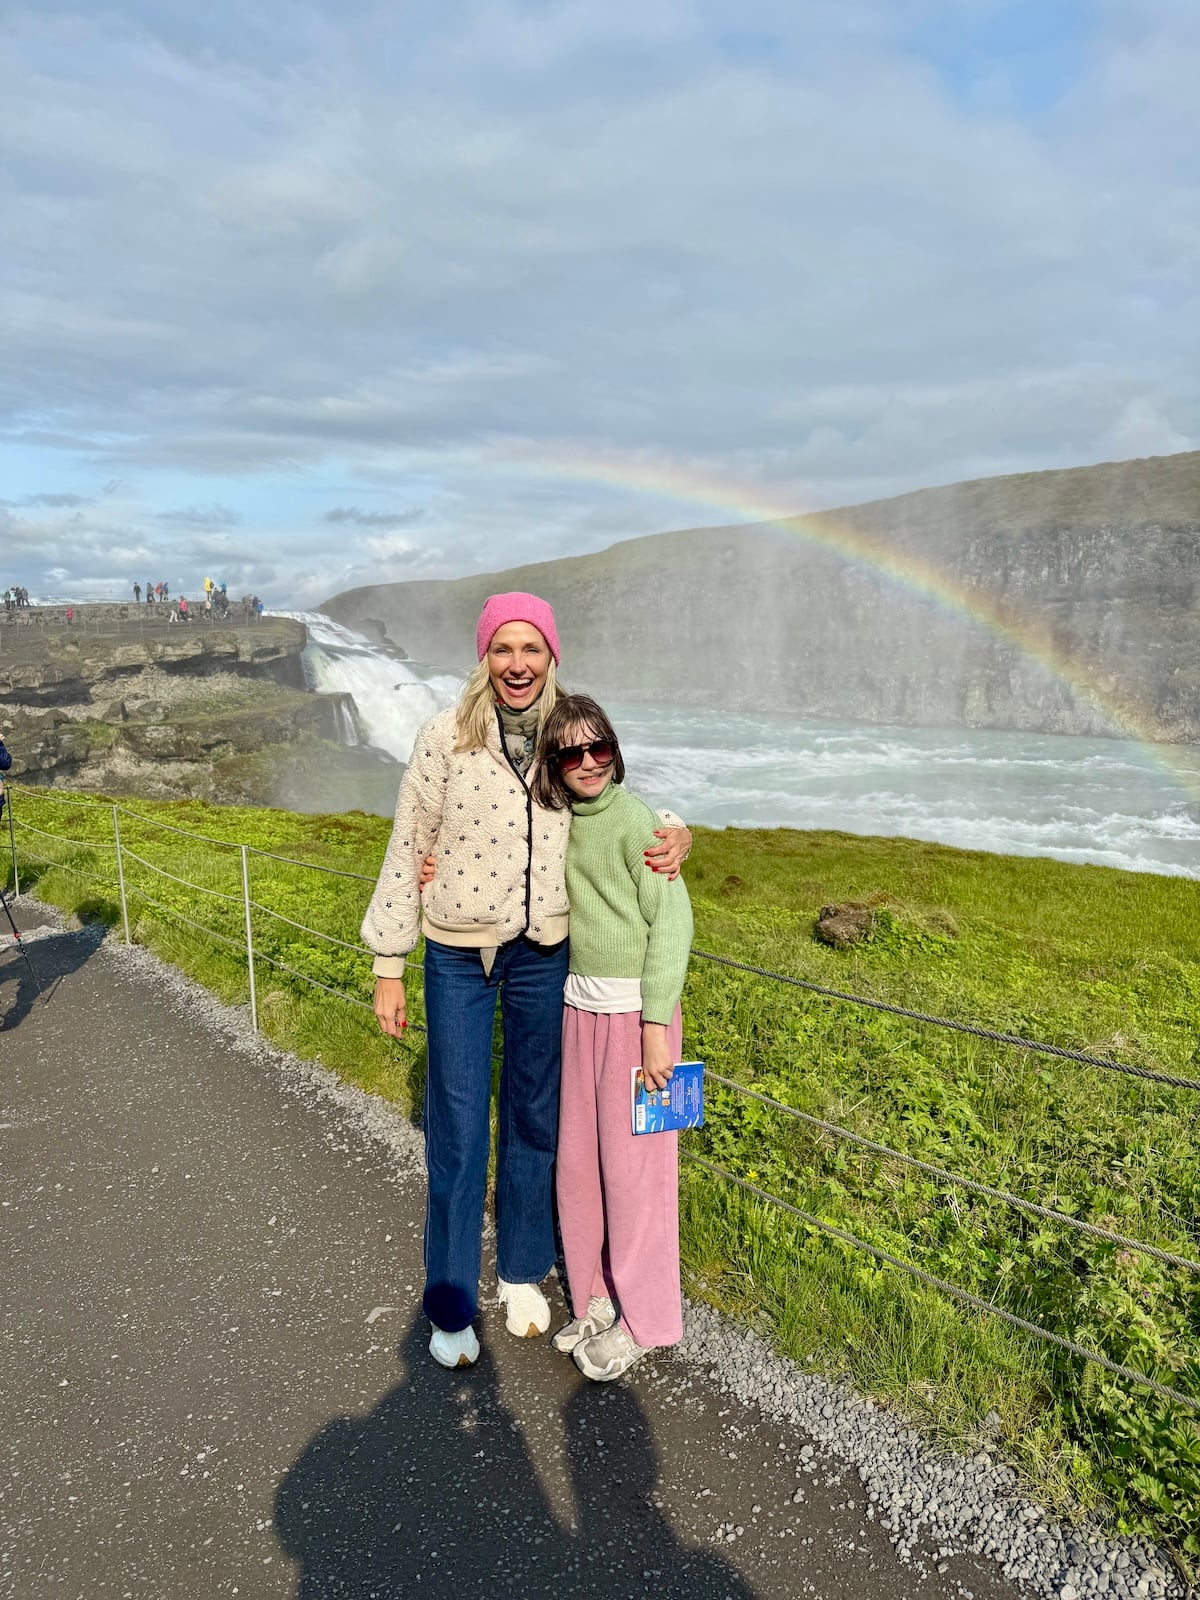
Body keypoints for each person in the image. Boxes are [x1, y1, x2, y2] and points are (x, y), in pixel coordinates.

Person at [362, 592, 690, 1371]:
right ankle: (448, 1301)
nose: (517, 664)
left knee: (539, 1118)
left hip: (547, 956)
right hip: (456, 956)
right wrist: (388, 962)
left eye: (531, 649)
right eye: (503, 648)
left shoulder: (565, 739)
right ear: (484, 656)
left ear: (552, 657)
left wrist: (677, 828)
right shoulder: (443, 736)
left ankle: (520, 1271)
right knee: (457, 1122)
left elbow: (615, 798)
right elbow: (410, 842)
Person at [532, 694, 692, 1380]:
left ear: (614, 749)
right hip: (581, 1013)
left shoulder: (637, 826)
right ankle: (595, 1297)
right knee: (579, 1167)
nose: (589, 762)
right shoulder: (562, 820)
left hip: (637, 1023)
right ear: (555, 764)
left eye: (600, 747)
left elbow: (674, 927)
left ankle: (648, 1319)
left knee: (636, 1178)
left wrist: (657, 1027)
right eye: (572, 753)